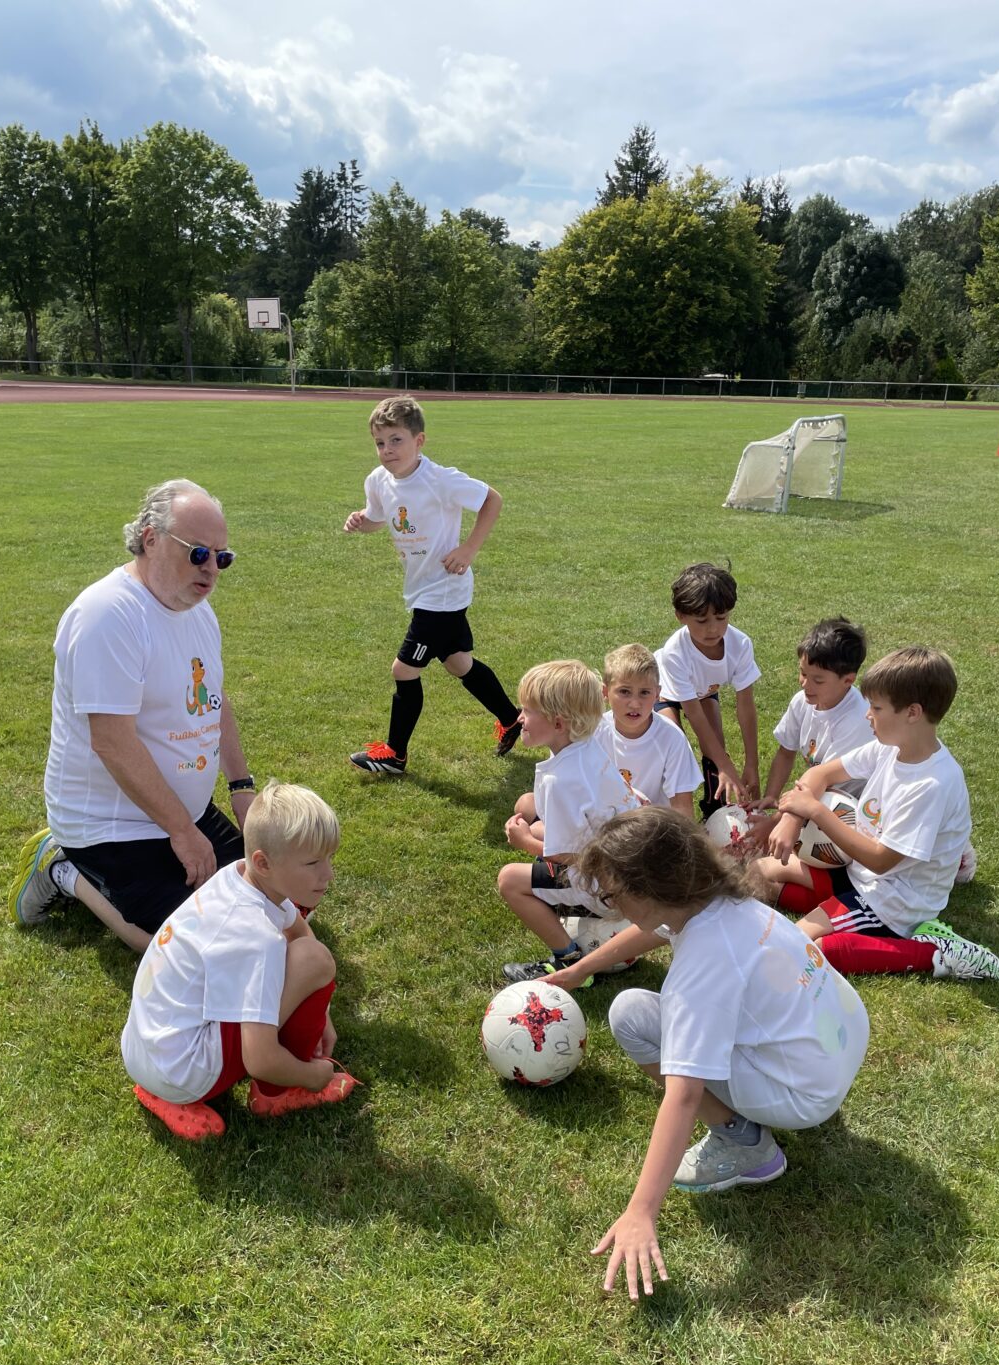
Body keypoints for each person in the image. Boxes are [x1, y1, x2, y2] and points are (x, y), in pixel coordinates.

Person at [579, 807, 870, 1300]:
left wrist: (641, 1211)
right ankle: (768, 1098)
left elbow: (684, 1095)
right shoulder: (720, 901)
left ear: (652, 888)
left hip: (807, 1095)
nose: (613, 906)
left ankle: (746, 1146)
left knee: (630, 1014)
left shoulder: (702, 964)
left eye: (613, 893)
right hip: (837, 1044)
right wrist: (575, 969)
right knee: (690, 1016)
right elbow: (656, 929)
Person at [9, 480, 256, 953]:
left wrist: (241, 787)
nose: (211, 570)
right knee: (186, 945)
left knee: (266, 899)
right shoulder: (109, 615)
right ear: (150, 539)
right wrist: (183, 832)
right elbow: (113, 742)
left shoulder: (198, 612)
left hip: (184, 812)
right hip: (110, 824)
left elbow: (214, 700)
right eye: (199, 553)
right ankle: (62, 868)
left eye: (222, 558)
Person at [122, 780, 359, 1141]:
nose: (328, 874)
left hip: (145, 1051)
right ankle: (276, 1095)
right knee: (314, 961)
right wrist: (311, 1075)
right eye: (312, 863)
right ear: (264, 862)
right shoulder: (256, 938)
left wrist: (321, 1013)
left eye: (329, 858)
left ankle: (158, 1090)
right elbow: (259, 1059)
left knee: (307, 954)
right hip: (184, 1073)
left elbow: (299, 931)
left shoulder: (237, 877)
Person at [757, 647, 999, 981]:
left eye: (876, 708)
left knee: (806, 948)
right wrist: (791, 821)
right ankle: (832, 910)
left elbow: (880, 860)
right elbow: (820, 775)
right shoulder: (889, 748)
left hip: (893, 901)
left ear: (913, 713)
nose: (867, 716)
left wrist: (816, 812)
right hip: (858, 875)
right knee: (761, 872)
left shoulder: (932, 783)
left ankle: (937, 953)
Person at [343, 394, 521, 776]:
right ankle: (513, 719)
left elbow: (492, 499)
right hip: (422, 588)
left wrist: (469, 549)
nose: (387, 450)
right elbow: (381, 519)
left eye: (396, 440)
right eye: (379, 442)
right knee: (459, 664)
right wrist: (363, 521)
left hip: (443, 590)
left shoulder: (439, 479)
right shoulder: (378, 480)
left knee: (403, 671)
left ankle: (394, 754)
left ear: (418, 441)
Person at [498, 660, 639, 983]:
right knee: (536, 827)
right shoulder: (588, 748)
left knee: (510, 880)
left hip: (606, 886)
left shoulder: (561, 780)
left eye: (528, 710)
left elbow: (573, 857)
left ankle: (568, 960)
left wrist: (524, 842)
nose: (520, 717)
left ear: (559, 724)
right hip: (629, 870)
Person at [746, 616, 871, 854]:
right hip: (822, 795)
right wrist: (772, 796)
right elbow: (785, 752)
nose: (805, 684)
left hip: (854, 805)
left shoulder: (857, 720)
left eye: (818, 680)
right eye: (803, 673)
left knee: (804, 845)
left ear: (848, 680)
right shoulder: (802, 702)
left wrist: (776, 823)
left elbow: (826, 784)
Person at [655, 562, 761, 818]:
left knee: (716, 744)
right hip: (662, 693)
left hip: (703, 692)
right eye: (701, 621)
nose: (712, 628)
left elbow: (745, 706)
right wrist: (725, 765)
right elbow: (694, 714)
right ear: (681, 616)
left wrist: (751, 764)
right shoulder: (674, 652)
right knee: (675, 747)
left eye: (721, 618)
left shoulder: (740, 644)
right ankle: (672, 813)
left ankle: (716, 812)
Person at [595, 643, 700, 817]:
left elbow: (682, 808)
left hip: (652, 828)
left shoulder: (671, 738)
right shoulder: (593, 732)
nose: (635, 703)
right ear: (605, 692)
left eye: (644, 692)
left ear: (657, 693)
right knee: (533, 804)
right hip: (602, 823)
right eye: (624, 691)